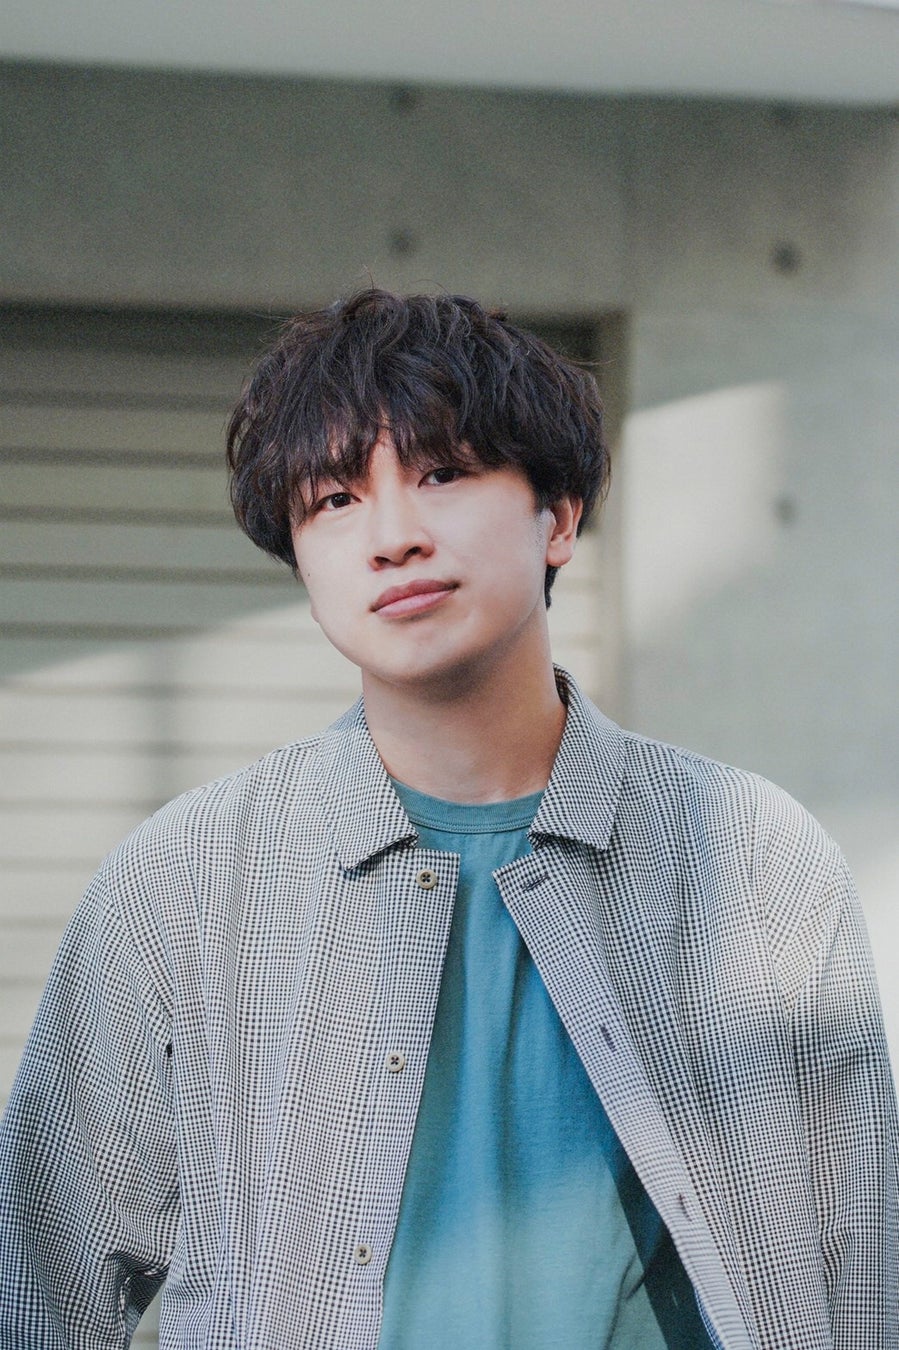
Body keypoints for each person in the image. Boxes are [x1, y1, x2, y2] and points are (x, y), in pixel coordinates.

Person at [0, 290, 896, 1350]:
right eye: (334, 499)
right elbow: (37, 1280)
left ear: (557, 518)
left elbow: (864, 1259)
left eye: (442, 474)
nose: (392, 537)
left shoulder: (750, 853)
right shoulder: (185, 878)